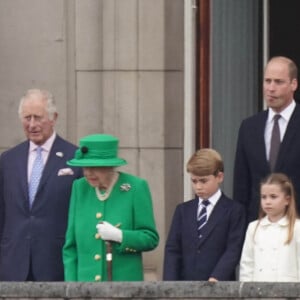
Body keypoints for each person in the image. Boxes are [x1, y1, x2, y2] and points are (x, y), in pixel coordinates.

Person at [0, 89, 83, 281]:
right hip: (13, 267)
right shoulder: (8, 160)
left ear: (54, 118)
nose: (32, 125)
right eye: (26, 118)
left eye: (38, 118)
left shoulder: (74, 158)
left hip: (55, 265)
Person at [63, 133, 159, 282]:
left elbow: (150, 238)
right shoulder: (79, 188)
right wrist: (71, 290)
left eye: (94, 167)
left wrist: (120, 236)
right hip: (85, 290)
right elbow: (70, 247)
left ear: (110, 166)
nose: (88, 173)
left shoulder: (135, 187)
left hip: (124, 290)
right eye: (85, 167)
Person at [233, 56, 300, 223]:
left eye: (278, 82)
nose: (271, 88)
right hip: (258, 228)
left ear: (294, 84)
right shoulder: (249, 127)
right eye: (267, 81)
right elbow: (241, 187)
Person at [163, 148, 246, 281]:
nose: (198, 187)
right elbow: (173, 250)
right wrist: (169, 287)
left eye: (203, 181)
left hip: (219, 287)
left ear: (219, 177)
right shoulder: (183, 210)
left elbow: (234, 249)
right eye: (194, 181)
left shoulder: (234, 210)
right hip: (185, 288)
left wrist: (217, 276)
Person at [239, 173, 300, 281]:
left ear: (287, 200)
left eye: (273, 197)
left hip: (289, 293)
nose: (267, 202)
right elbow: (247, 265)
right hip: (258, 293)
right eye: (264, 197)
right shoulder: (253, 227)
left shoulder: (296, 227)